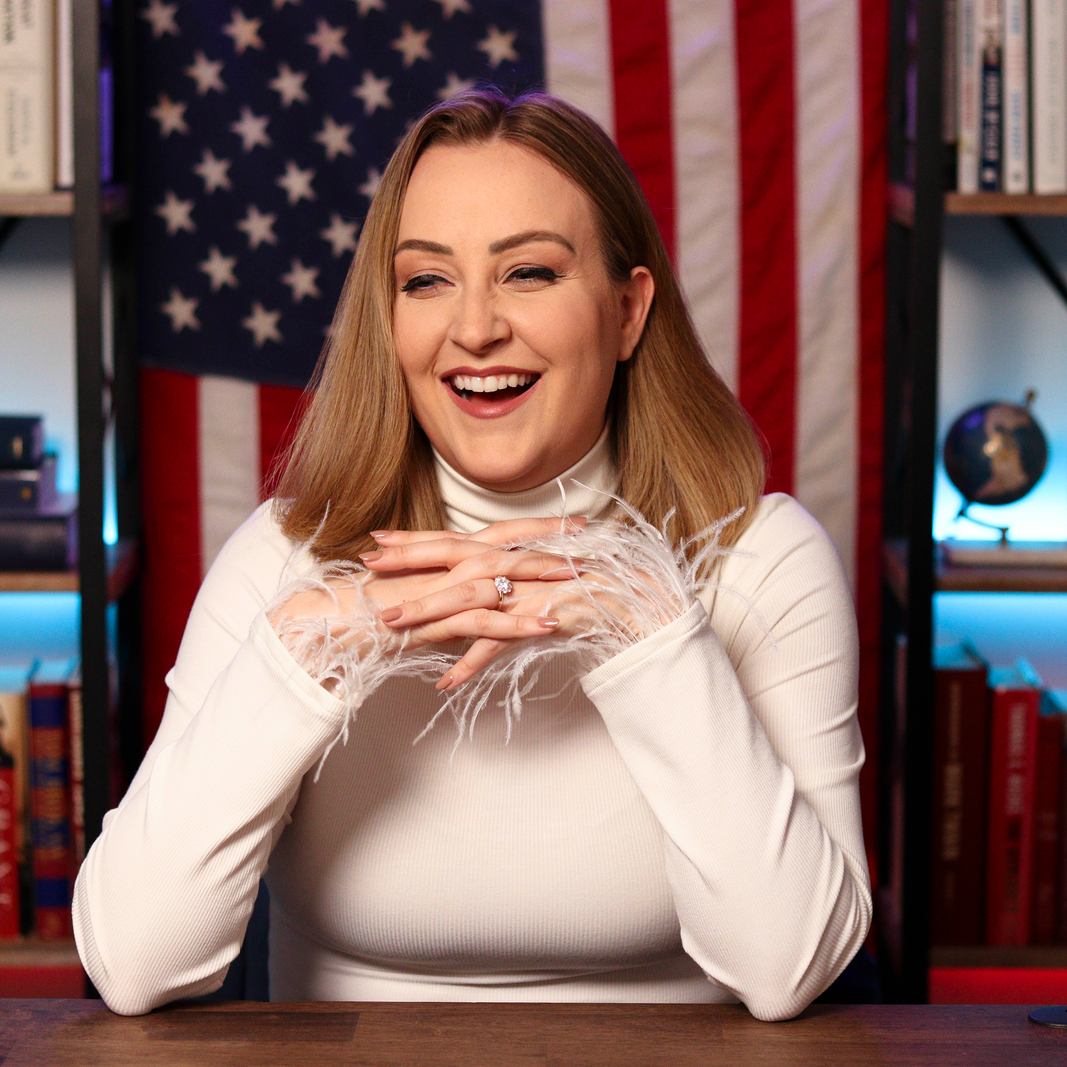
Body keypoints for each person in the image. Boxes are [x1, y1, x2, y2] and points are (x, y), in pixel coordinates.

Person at [73, 89, 871, 1021]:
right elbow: (132, 962)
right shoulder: (286, 558)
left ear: (626, 311)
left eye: (528, 272)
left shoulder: (761, 557)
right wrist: (312, 650)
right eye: (426, 281)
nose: (476, 327)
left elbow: (789, 968)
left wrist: (648, 627)